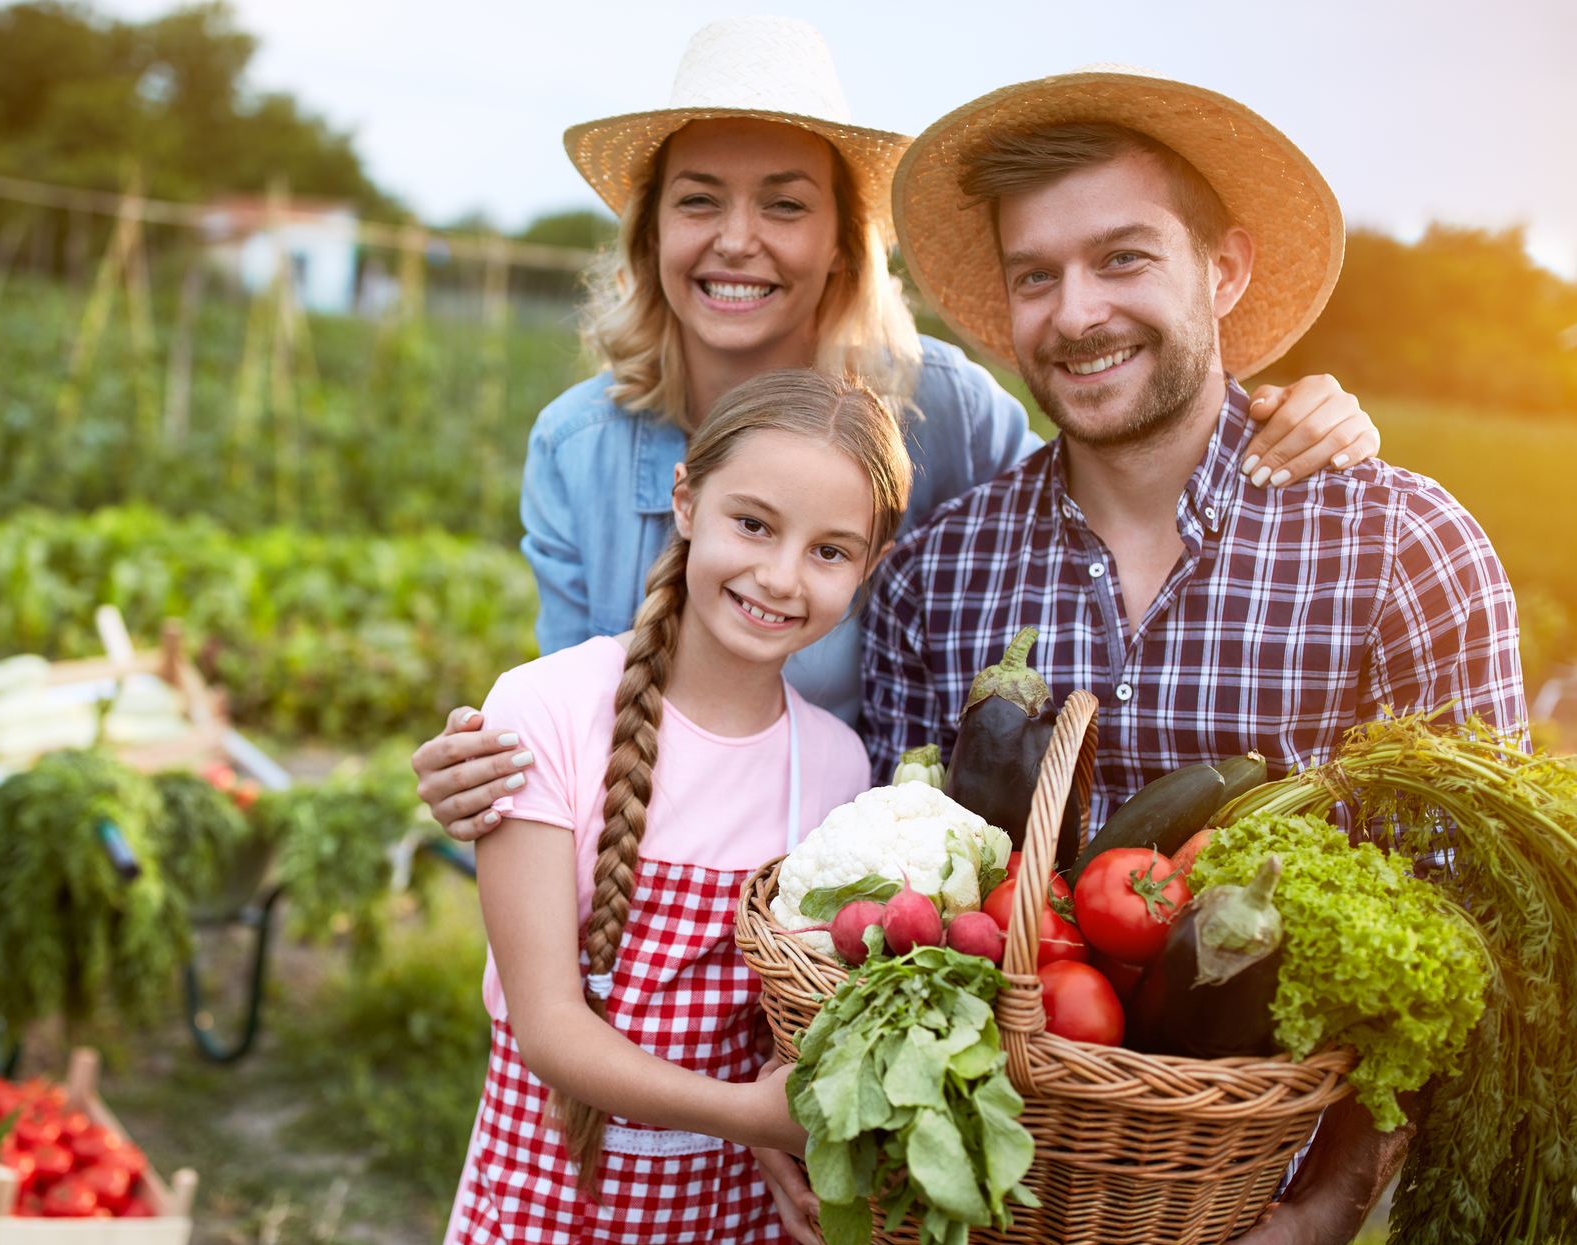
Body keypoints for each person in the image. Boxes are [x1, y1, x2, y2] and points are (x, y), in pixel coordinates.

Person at [829, 68, 1526, 1245]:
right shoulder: (937, 571)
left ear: (1225, 268)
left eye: (1121, 259)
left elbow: (1455, 968)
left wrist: (1316, 1222)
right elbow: (892, 906)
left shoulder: (1403, 554)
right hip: (945, 1238)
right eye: (1033, 276)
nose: (1074, 311)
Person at [411, 16, 1382, 846]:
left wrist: (1274, 408)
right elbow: (569, 716)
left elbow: (1090, 505)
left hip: (842, 883)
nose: (735, 239)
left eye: (783, 204)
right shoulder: (578, 448)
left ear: (841, 239)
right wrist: (488, 766)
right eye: (697, 199)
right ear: (650, 233)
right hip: (648, 885)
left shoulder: (940, 410)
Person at [423, 369, 909, 1245]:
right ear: (686, 501)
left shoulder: (836, 767)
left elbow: (785, 1024)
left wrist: (779, 1120)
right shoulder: (548, 710)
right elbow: (551, 1032)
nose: (779, 577)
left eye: (830, 550)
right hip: (544, 1244)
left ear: (871, 565)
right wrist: (753, 1114)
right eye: (754, 524)